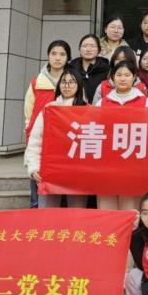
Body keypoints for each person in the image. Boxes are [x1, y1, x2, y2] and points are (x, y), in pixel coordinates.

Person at [24, 70, 89, 208]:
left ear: (79, 85)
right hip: (51, 169)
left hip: (78, 171)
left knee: (77, 214)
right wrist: (34, 167)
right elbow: (35, 141)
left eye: (72, 82)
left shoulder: (88, 110)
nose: (67, 86)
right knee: (47, 214)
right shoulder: (49, 109)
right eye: (64, 82)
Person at [94, 60, 148, 212]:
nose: (123, 78)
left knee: (130, 211)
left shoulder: (144, 102)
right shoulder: (102, 102)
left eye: (127, 75)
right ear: (112, 77)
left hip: (133, 164)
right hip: (107, 164)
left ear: (134, 77)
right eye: (119, 75)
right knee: (106, 210)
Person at [23, 39, 70, 208]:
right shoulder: (37, 82)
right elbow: (28, 113)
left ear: (68, 58)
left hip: (65, 140)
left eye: (62, 54)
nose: (58, 58)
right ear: (47, 56)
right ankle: (36, 210)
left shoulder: (72, 81)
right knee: (37, 176)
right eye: (54, 54)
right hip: (41, 138)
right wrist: (31, 134)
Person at [68, 33, 108, 103]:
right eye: (85, 46)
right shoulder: (71, 68)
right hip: (76, 107)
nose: (88, 49)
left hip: (100, 107)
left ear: (99, 50)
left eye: (92, 46)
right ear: (79, 49)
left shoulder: (106, 68)